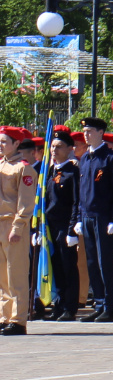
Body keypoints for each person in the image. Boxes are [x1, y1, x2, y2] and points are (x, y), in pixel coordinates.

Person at [0, 127, 38, 336]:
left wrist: (18, 226)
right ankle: (4, 316)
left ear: (16, 144)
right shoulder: (1, 165)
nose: (1, 145)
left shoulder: (24, 169)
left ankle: (17, 319)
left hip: (12, 225)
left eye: (5, 141)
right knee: (2, 277)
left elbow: (25, 203)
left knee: (16, 274)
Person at [41, 127, 79, 321]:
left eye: (59, 146)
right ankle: (58, 303)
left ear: (70, 148)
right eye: (52, 146)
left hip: (65, 225)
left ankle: (69, 307)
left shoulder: (73, 172)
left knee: (67, 266)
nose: (54, 150)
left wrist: (73, 228)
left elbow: (75, 201)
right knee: (54, 266)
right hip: (50, 225)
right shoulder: (48, 171)